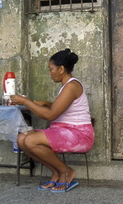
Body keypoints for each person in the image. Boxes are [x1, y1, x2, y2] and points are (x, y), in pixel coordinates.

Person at [11, 49, 94, 193]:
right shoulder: (66, 86)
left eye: (51, 69)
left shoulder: (72, 86)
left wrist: (25, 101)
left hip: (79, 134)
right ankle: (56, 172)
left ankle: (65, 171)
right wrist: (46, 104)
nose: (50, 73)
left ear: (61, 69)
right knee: (20, 139)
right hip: (64, 131)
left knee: (30, 141)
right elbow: (63, 109)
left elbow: (50, 116)